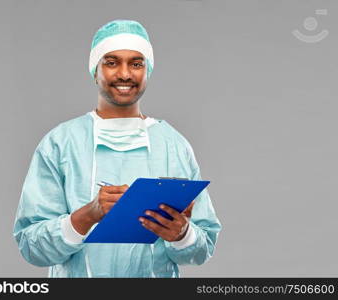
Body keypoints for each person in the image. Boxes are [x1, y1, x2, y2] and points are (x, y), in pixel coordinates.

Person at [13, 19, 221, 278]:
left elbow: (203, 247)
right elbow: (32, 247)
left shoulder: (173, 145)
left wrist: (182, 234)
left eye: (136, 63)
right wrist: (89, 215)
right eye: (111, 62)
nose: (125, 74)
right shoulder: (61, 143)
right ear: (94, 70)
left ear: (148, 70)